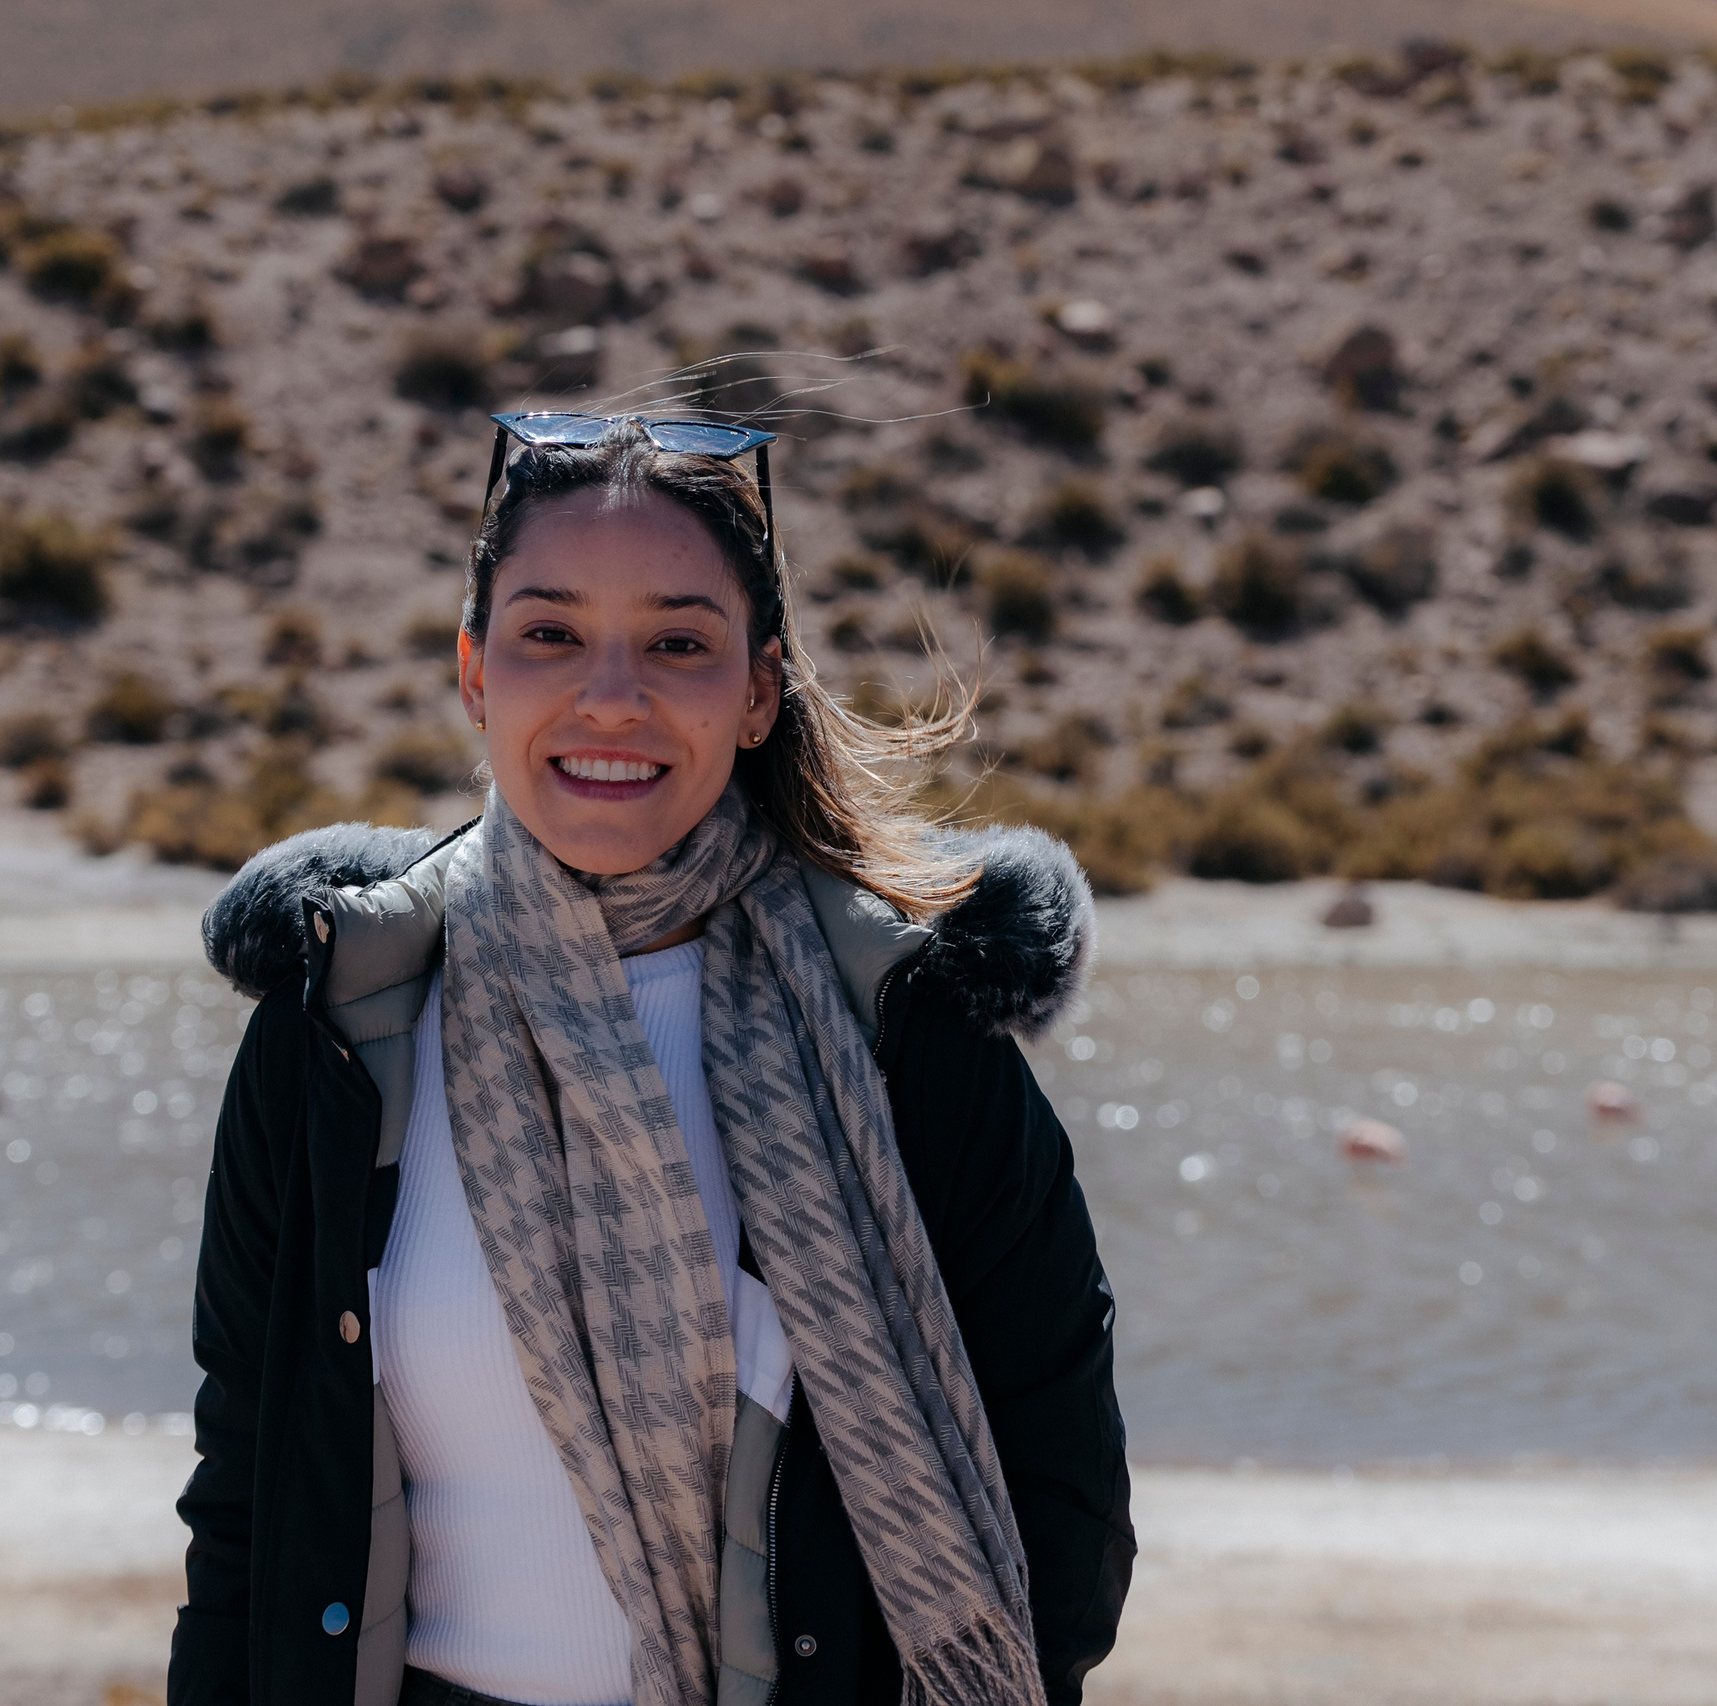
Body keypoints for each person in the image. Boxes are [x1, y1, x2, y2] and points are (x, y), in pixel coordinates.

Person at [169, 414, 1134, 1706]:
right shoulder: (339, 1016)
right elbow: (248, 1488)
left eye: (678, 642)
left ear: (756, 691)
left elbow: (1060, 1506)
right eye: (549, 633)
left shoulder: (906, 1032)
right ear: (474, 671)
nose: (610, 695)